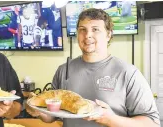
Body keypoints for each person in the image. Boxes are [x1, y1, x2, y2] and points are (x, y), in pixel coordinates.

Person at [27, 8, 160, 127]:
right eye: (82, 30)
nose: (87, 35)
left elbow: (152, 123)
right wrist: (37, 111)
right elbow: (52, 115)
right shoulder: (63, 70)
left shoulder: (128, 73)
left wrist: (110, 119)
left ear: (108, 35)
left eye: (95, 29)